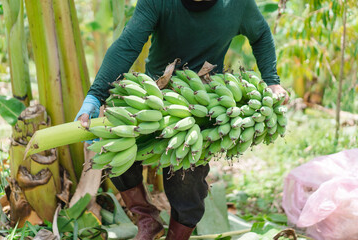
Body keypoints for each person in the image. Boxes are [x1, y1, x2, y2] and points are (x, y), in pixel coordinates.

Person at [75, 0, 289, 239]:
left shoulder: (237, 5)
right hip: (153, 95)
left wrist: (271, 80)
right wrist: (96, 96)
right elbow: (128, 44)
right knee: (113, 147)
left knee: (186, 180)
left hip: (203, 101)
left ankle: (178, 235)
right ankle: (146, 219)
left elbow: (260, 34)